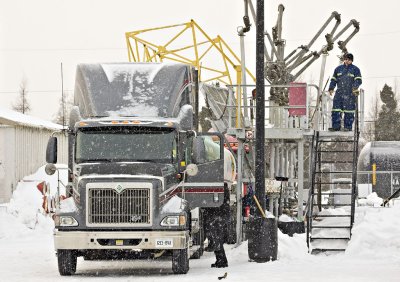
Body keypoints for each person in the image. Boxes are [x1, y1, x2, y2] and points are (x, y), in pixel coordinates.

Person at [328, 53, 362, 131]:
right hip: (339, 93)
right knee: (336, 110)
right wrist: (331, 88)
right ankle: (336, 127)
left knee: (349, 111)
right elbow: (333, 79)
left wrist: (355, 87)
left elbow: (358, 80)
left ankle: (347, 127)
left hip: (350, 93)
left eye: (349, 60)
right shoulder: (338, 69)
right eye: (346, 59)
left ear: (351, 60)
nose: (347, 61)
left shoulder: (355, 69)